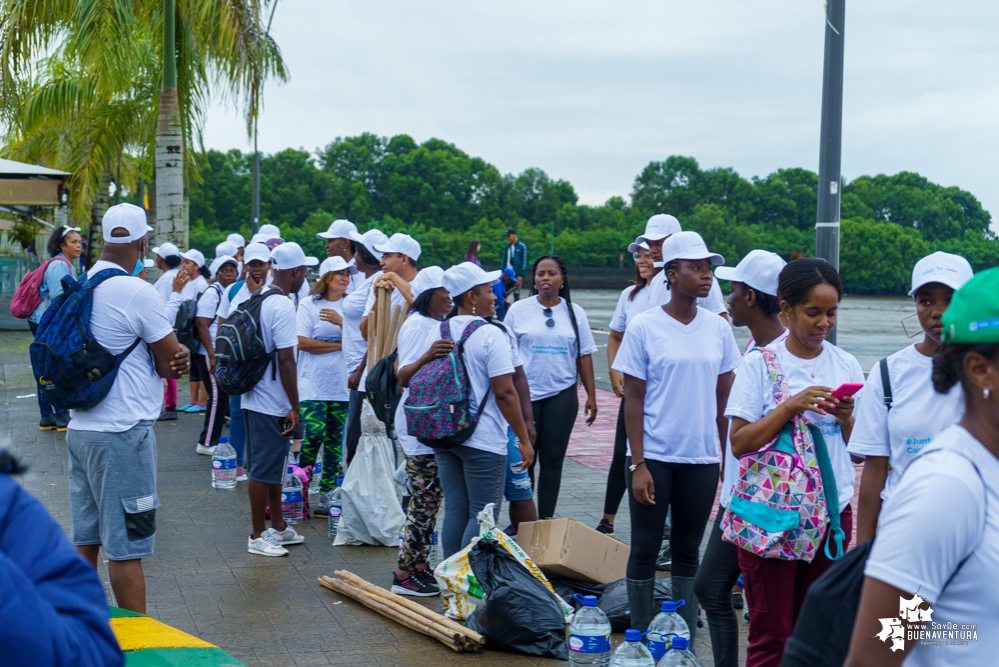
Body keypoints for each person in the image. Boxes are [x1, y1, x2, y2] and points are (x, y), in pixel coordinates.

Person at [846, 267, 999, 667]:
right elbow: (880, 651)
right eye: (926, 300)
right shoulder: (947, 491)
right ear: (982, 371)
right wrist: (955, 635)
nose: (934, 310)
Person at [726, 257, 863, 667]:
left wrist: (846, 417)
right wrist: (790, 406)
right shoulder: (759, 365)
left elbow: (858, 451)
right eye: (813, 312)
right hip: (771, 518)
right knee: (772, 635)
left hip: (832, 518)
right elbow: (739, 442)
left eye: (832, 312)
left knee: (817, 630)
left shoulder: (846, 364)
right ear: (785, 309)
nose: (824, 323)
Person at [612, 231, 739, 640]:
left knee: (688, 550)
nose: (706, 276)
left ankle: (680, 634)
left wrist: (726, 460)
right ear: (671, 273)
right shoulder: (645, 326)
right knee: (646, 547)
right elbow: (633, 399)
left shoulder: (718, 330)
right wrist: (639, 463)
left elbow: (725, 400)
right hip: (657, 458)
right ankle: (640, 633)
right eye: (697, 268)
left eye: (710, 269)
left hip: (701, 459)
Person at [66, 203, 190, 612]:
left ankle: (76, 629)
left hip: (81, 429)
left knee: (87, 538)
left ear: (103, 239)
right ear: (142, 242)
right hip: (122, 435)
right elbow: (169, 361)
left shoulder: (80, 283)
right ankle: (138, 644)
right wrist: (180, 356)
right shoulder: (138, 291)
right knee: (125, 547)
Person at [693, 249, 787, 667]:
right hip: (737, 499)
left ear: (751, 297)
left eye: (732, 290)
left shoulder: (784, 355)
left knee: (726, 595)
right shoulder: (754, 345)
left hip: (761, 505)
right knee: (713, 590)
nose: (725, 297)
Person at [849, 252, 972, 544]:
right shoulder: (888, 373)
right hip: (904, 538)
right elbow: (874, 473)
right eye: (926, 300)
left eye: (950, 299)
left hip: (974, 537)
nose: (937, 312)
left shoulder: (987, 371)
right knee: (911, 594)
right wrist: (862, 556)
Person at [432, 262, 534, 557]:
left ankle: (450, 582)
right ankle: (468, 585)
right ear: (471, 297)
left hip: (446, 434)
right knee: (482, 515)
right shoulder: (491, 334)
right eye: (489, 291)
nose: (496, 296)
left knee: (456, 510)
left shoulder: (441, 329)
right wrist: (523, 439)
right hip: (483, 438)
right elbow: (505, 393)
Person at [0, 449, 125, 666]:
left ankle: (136, 628)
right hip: (108, 436)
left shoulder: (11, 505)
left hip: (106, 434)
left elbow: (94, 651)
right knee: (105, 541)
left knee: (112, 543)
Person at [504, 255, 598, 519]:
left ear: (562, 279)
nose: (546, 278)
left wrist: (591, 395)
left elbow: (585, 354)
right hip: (526, 396)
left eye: (552, 273)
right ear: (534, 279)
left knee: (553, 460)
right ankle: (524, 523)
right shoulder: (518, 310)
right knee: (524, 460)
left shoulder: (574, 312)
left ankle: (545, 522)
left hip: (562, 395)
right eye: (540, 274)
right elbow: (506, 353)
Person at [243, 242, 317, 557]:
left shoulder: (258, 297)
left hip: (255, 394)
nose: (306, 277)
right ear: (296, 271)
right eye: (305, 272)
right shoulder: (283, 305)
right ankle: (258, 534)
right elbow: (287, 360)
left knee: (274, 465)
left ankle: (279, 526)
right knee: (262, 469)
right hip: (269, 400)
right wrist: (295, 406)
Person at [392, 267, 451, 596]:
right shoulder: (418, 325)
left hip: (428, 424)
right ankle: (404, 573)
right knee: (423, 501)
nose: (450, 297)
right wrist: (430, 354)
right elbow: (404, 376)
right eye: (445, 291)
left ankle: (419, 565)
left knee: (429, 501)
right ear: (431, 293)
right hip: (418, 426)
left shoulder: (432, 324)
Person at [598, 239, 659, 535]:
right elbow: (614, 337)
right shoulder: (630, 295)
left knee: (659, 457)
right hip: (635, 389)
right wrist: (613, 372)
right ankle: (608, 519)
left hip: (664, 391)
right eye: (639, 256)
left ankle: (663, 529)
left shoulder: (673, 293)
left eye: (648, 255)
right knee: (622, 452)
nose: (643, 260)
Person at [297, 256, 355, 515]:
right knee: (315, 432)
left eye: (347, 273)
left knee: (334, 441)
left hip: (341, 384)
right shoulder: (310, 304)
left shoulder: (352, 305)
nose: (345, 278)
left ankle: (328, 494)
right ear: (325, 278)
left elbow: (364, 337)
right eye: (339, 273)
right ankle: (300, 484)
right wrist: (341, 345)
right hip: (312, 382)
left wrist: (342, 322)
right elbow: (301, 341)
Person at [219, 242, 273, 481]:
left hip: (264, 365)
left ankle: (256, 463)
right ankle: (237, 464)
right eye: (252, 264)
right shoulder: (233, 290)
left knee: (261, 414)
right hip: (237, 364)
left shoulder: (274, 289)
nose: (257, 269)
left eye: (261, 264)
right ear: (245, 265)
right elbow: (222, 324)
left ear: (270, 265)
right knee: (237, 413)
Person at [28, 224, 82, 432]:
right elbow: (60, 299)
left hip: (44, 321)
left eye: (79, 242)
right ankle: (59, 415)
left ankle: (48, 416)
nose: (78, 246)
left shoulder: (65, 263)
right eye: (73, 242)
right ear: (62, 245)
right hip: (47, 322)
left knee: (46, 366)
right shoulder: (59, 265)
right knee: (54, 366)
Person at [342, 229, 389, 466]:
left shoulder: (377, 284)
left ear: (367, 255)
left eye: (357, 252)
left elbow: (374, 333)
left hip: (367, 373)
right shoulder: (366, 280)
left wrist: (360, 371)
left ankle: (357, 491)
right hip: (357, 370)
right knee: (355, 434)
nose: (354, 258)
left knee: (358, 436)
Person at [636, 214, 728, 319]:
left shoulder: (704, 281)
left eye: (659, 243)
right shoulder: (656, 280)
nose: (652, 250)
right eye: (650, 244)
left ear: (675, 239)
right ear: (671, 275)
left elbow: (721, 322)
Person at [193, 255, 239, 455]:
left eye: (232, 271)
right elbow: (201, 324)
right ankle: (206, 442)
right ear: (217, 273)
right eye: (224, 270)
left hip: (219, 353)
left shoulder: (227, 292)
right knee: (217, 396)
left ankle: (213, 438)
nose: (229, 274)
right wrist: (212, 354)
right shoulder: (213, 293)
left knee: (221, 397)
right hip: (208, 352)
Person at [174, 249, 210, 413]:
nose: (184, 265)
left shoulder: (201, 283)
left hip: (195, 329)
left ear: (197, 266)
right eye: (183, 262)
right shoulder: (189, 282)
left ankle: (202, 401)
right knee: (193, 366)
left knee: (201, 366)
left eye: (187, 262)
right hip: (188, 329)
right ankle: (193, 400)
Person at [151, 242, 183, 421]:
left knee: (169, 364)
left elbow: (163, 305)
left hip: (166, 324)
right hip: (174, 323)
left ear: (161, 259)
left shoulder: (165, 279)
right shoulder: (175, 275)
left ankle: (170, 406)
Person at [501, 228, 528, 301]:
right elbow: (504, 259)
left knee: (516, 294)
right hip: (507, 274)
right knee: (504, 293)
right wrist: (502, 271)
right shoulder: (507, 246)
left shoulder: (522, 246)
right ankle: (504, 310)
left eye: (508, 236)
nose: (507, 238)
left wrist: (521, 274)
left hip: (516, 274)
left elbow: (524, 261)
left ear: (514, 235)